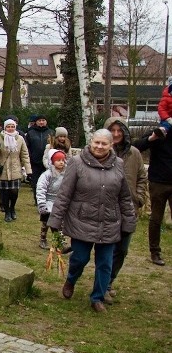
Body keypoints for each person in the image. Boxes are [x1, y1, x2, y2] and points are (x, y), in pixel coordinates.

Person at [48, 129, 136, 313]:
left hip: (109, 222)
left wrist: (128, 222)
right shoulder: (76, 162)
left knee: (105, 263)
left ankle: (97, 297)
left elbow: (124, 197)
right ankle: (71, 280)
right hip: (82, 221)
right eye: (97, 142)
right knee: (80, 258)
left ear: (111, 145)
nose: (99, 146)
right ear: (91, 142)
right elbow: (64, 194)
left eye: (104, 143)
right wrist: (55, 221)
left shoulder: (118, 164)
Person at [103, 117, 149, 299]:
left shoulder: (134, 153)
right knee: (107, 249)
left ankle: (110, 280)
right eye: (112, 130)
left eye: (119, 131)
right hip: (106, 208)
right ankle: (103, 286)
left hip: (129, 209)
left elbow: (142, 177)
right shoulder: (102, 150)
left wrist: (138, 198)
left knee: (122, 250)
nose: (116, 134)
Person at [131, 124, 168, 266]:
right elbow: (136, 147)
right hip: (158, 182)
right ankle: (155, 252)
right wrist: (153, 138)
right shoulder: (158, 131)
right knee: (156, 218)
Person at [0, 119, 31, 222]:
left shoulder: (20, 139)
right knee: (4, 193)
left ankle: (12, 207)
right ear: (5, 128)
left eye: (12, 126)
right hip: (3, 169)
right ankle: (7, 211)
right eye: (8, 126)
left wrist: (28, 171)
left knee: (14, 192)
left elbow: (25, 155)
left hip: (15, 169)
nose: (10, 128)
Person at [36, 150, 68, 250]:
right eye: (58, 160)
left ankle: (60, 242)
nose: (61, 162)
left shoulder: (66, 174)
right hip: (48, 202)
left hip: (60, 202)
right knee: (46, 223)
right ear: (52, 162)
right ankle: (43, 239)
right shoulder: (47, 175)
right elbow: (41, 188)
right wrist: (42, 203)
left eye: (63, 160)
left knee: (59, 224)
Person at [25, 114, 53, 203]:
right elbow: (26, 147)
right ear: (36, 122)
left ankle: (47, 198)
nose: (41, 122)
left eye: (43, 120)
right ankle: (37, 199)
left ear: (46, 121)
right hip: (34, 162)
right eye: (39, 120)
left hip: (48, 162)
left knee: (48, 182)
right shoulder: (30, 133)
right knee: (35, 182)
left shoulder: (51, 133)